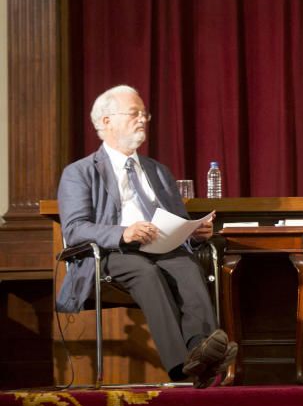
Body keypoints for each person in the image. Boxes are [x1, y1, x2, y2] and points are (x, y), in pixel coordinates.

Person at [57, 85, 236, 387]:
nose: (142, 119)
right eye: (134, 113)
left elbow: (175, 219)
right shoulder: (80, 172)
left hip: (163, 247)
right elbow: (74, 229)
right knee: (145, 271)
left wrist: (193, 232)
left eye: (145, 114)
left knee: (188, 267)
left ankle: (202, 352)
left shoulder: (158, 171)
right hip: (115, 253)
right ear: (105, 122)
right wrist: (123, 232)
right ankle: (180, 368)